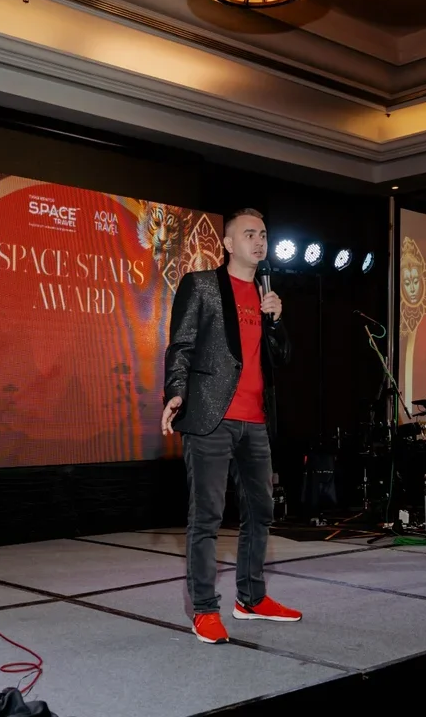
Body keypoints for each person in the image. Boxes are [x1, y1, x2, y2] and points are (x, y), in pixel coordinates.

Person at [161, 208, 300, 644]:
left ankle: (251, 599)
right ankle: (204, 609)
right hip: (211, 418)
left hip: (255, 421)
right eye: (249, 234)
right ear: (227, 243)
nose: (259, 241)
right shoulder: (201, 285)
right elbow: (181, 345)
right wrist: (175, 392)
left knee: (261, 512)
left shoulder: (266, 294)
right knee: (207, 516)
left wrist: (276, 320)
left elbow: (282, 358)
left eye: (263, 234)